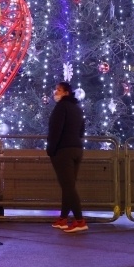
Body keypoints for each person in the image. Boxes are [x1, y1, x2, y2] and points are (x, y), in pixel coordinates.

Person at [46, 82, 87, 233]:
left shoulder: (61, 108)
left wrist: (51, 149)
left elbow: (55, 130)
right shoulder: (77, 108)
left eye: (59, 90)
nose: (55, 92)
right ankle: (63, 219)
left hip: (63, 151)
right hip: (77, 149)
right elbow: (82, 130)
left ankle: (79, 220)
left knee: (68, 187)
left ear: (67, 93)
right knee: (67, 185)